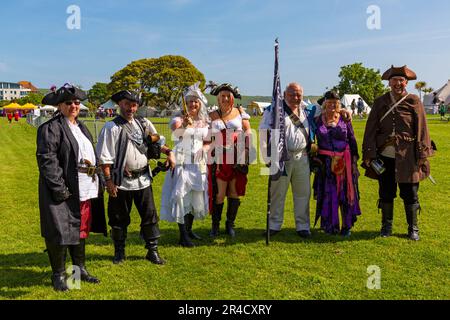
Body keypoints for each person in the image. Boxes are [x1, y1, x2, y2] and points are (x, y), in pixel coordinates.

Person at [259, 83, 353, 238]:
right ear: (284, 94)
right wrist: (267, 157)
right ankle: (274, 225)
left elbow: (330, 108)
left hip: (302, 157)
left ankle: (303, 226)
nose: (295, 97)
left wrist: (343, 110)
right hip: (280, 158)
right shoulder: (273, 110)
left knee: (303, 193)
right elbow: (263, 133)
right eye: (291, 94)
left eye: (298, 94)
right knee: (277, 193)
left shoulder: (309, 109)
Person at [36, 84, 105, 291]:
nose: (74, 106)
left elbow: (91, 156)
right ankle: (58, 275)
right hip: (63, 189)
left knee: (80, 229)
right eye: (69, 103)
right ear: (59, 105)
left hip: (84, 187)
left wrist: (100, 177)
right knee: (59, 231)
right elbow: (47, 160)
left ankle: (78, 270)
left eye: (76, 102)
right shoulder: (50, 128)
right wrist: (60, 188)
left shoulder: (81, 127)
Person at [96, 90, 175, 264]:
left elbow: (158, 142)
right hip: (120, 182)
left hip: (143, 179)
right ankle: (119, 251)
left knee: (149, 216)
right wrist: (108, 181)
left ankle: (152, 250)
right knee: (118, 218)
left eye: (133, 104)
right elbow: (104, 157)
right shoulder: (111, 128)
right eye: (126, 104)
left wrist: (169, 152)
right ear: (120, 105)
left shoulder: (143, 123)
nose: (130, 108)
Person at [362, 65, 434, 241]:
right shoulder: (380, 102)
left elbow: (422, 128)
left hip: (408, 157)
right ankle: (386, 227)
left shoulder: (414, 100)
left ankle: (413, 228)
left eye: (401, 80)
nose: (398, 83)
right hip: (385, 156)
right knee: (386, 192)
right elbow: (370, 128)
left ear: (406, 82)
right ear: (389, 82)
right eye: (394, 80)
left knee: (410, 193)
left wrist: (423, 154)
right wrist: (369, 153)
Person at [160, 83, 210, 247]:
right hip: (182, 162)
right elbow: (176, 136)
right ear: (185, 103)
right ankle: (182, 235)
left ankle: (189, 230)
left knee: (195, 197)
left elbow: (208, 141)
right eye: (190, 101)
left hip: (198, 164)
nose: (193, 104)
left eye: (196, 101)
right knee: (182, 197)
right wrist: (184, 125)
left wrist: (203, 149)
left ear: (200, 103)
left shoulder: (204, 121)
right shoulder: (178, 120)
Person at [312, 91, 361, 236]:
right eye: (330, 102)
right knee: (328, 194)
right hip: (325, 164)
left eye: (336, 102)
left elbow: (352, 141)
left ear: (339, 104)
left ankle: (346, 226)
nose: (332, 105)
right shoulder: (317, 120)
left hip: (344, 162)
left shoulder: (345, 119)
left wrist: (353, 162)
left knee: (345, 195)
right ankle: (330, 225)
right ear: (324, 103)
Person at [208, 83, 252, 238]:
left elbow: (247, 131)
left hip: (237, 156)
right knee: (219, 193)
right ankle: (215, 225)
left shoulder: (240, 112)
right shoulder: (212, 115)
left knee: (234, 191)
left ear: (232, 98)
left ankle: (230, 224)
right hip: (219, 158)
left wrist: (246, 150)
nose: (225, 99)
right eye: (222, 96)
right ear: (218, 99)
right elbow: (208, 136)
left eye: (228, 96)